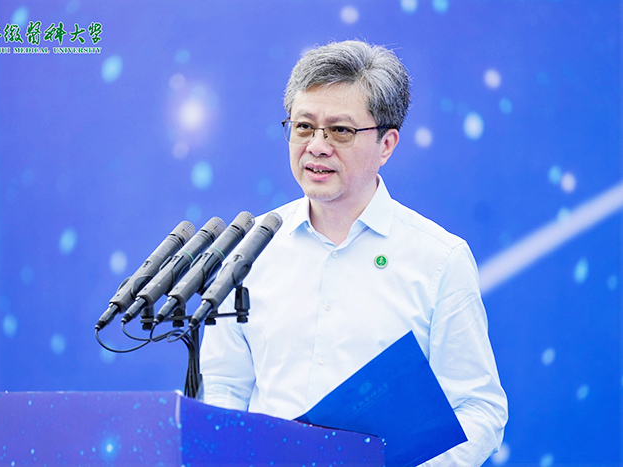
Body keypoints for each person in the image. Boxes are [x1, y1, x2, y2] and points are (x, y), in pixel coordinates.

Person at [200, 40, 508, 465]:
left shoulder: (438, 259)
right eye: (303, 126)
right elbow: (223, 387)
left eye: (340, 131)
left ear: (387, 144)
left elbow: (478, 408)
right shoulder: (250, 249)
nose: (317, 146)